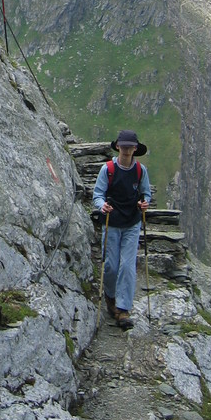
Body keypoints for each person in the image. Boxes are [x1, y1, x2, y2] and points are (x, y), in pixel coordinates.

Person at [93, 129, 152, 330]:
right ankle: (110, 296)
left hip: (132, 223)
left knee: (127, 265)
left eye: (130, 147)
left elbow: (146, 193)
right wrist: (102, 206)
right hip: (111, 221)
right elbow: (98, 194)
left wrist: (145, 203)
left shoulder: (140, 171)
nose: (127, 150)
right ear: (118, 146)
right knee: (111, 265)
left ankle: (123, 309)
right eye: (124, 146)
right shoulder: (107, 169)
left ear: (135, 149)